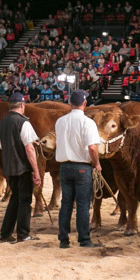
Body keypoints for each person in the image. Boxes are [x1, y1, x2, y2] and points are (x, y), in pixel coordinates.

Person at [54, 89, 102, 248]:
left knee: (66, 203)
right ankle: (84, 239)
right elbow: (93, 148)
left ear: (69, 103)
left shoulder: (60, 121)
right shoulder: (88, 122)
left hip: (64, 166)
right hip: (82, 167)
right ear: (85, 103)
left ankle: (63, 239)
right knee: (82, 205)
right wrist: (96, 163)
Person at [0, 92, 41, 240]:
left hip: (9, 167)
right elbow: (29, 149)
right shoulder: (24, 122)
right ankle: (23, 234)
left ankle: (5, 233)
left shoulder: (1, 124)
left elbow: (4, 146)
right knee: (25, 201)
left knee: (14, 200)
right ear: (22, 105)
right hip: (23, 167)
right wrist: (36, 171)